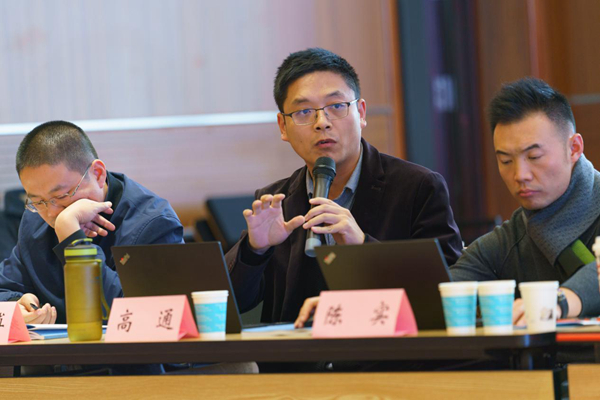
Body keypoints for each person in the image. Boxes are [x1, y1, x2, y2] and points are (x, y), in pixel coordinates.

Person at [225, 48, 463, 326]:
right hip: (297, 352)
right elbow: (229, 304)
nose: (322, 123)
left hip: (384, 349)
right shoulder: (276, 202)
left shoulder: (418, 188)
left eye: (336, 106)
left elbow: (448, 292)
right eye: (304, 111)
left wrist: (362, 246)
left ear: (361, 113)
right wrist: (255, 251)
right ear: (283, 126)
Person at [0, 121, 183, 324]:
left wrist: (72, 238)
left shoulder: (153, 223)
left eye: (61, 196)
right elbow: (4, 288)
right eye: (38, 201)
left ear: (98, 174)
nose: (52, 213)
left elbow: (141, 317)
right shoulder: (35, 219)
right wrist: (16, 305)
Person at [450, 77, 600, 322]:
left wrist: (557, 302)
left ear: (574, 148)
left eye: (534, 156)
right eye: (506, 161)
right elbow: (446, 290)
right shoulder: (507, 242)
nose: (520, 175)